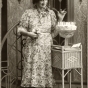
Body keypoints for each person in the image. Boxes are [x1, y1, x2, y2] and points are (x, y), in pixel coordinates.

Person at [18, 0, 66, 88]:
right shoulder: (28, 13)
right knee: (32, 71)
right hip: (32, 48)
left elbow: (54, 33)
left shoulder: (51, 13)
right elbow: (20, 29)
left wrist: (60, 19)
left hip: (46, 48)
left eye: (45, 0)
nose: (44, 2)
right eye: (41, 0)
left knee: (45, 72)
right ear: (36, 1)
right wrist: (29, 34)